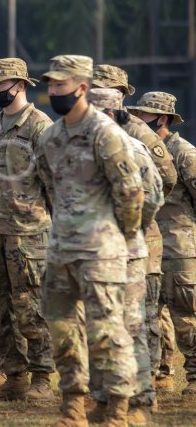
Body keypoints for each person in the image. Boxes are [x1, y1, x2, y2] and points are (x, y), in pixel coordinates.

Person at [36, 55, 143, 426]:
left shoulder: (105, 133)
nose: (53, 91)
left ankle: (116, 410)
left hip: (101, 252)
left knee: (106, 334)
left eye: (60, 85)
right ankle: (73, 407)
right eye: (50, 84)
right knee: (63, 334)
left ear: (82, 87)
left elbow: (130, 192)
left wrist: (121, 236)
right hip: (61, 250)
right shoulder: (49, 137)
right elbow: (50, 188)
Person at [92, 64, 178, 391]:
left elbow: (164, 179)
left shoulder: (138, 131)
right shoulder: (76, 126)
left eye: (111, 90)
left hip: (135, 238)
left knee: (139, 316)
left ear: (123, 96)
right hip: (96, 241)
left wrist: (137, 214)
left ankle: (149, 382)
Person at [0, 57, 55, 401]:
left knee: (30, 306)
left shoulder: (40, 127)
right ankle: (14, 375)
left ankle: (42, 378)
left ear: (20, 85)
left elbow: (55, 183)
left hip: (29, 233)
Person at [88, 87, 165, 423]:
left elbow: (153, 196)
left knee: (130, 328)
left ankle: (142, 400)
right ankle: (105, 397)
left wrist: (129, 228)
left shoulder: (133, 148)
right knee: (98, 328)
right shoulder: (82, 149)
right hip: (93, 253)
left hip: (129, 253)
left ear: (111, 113)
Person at [127, 91, 196, 398]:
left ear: (162, 119)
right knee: (152, 317)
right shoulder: (137, 149)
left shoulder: (182, 152)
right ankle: (159, 374)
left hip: (180, 247)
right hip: (149, 247)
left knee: (186, 317)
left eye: (143, 116)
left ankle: (194, 376)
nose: (137, 121)